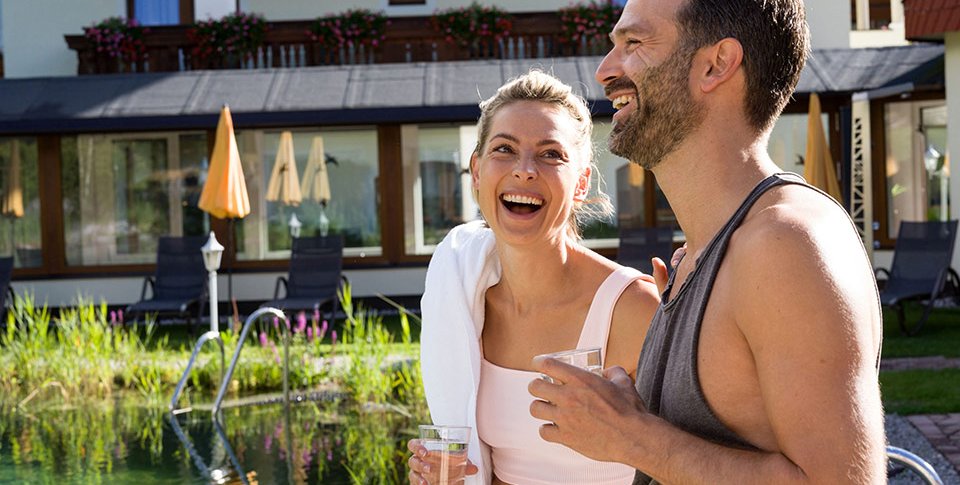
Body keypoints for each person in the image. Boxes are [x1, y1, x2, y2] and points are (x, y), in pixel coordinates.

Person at [529, 0, 887, 483]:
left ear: (716, 65)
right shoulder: (702, 255)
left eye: (634, 43)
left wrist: (632, 435)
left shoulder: (785, 244)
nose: (604, 71)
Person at [407, 70, 663, 484]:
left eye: (550, 154)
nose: (525, 170)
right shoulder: (465, 303)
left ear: (580, 184)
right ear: (476, 170)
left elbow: (694, 459)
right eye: (504, 149)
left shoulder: (632, 310)